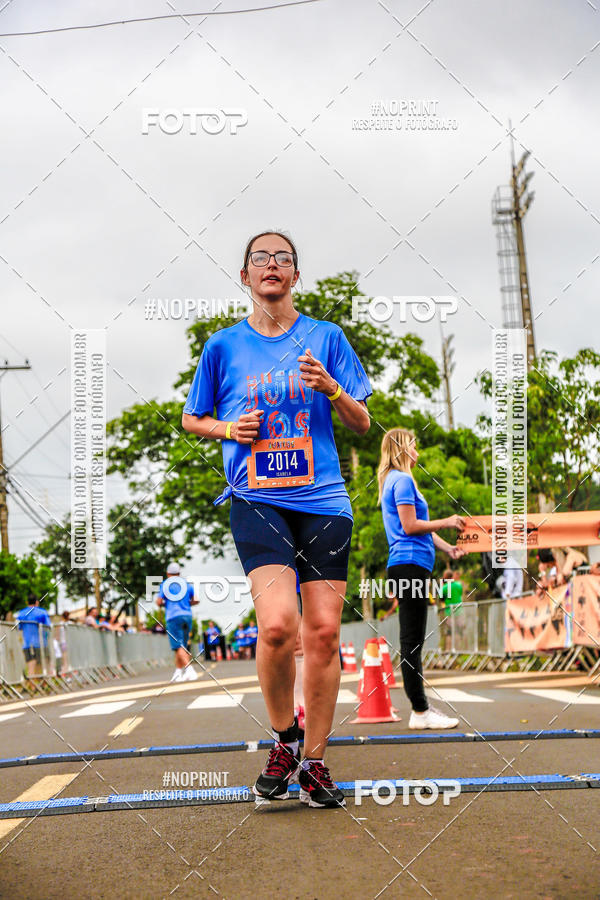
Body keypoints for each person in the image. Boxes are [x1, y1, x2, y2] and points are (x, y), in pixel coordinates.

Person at [182, 230, 371, 808]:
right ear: (244, 277)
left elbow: (362, 422)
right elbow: (193, 419)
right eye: (259, 258)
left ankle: (313, 761)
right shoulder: (222, 348)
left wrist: (332, 388)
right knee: (276, 626)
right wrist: (226, 429)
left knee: (322, 632)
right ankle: (284, 738)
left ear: (295, 275)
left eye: (282, 258)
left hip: (323, 500)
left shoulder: (326, 337)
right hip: (257, 498)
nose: (271, 265)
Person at [378, 428, 465, 730]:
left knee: (412, 640)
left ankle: (420, 708)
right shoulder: (401, 480)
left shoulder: (395, 480)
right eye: (414, 446)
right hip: (409, 565)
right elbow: (411, 525)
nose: (418, 452)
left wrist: (447, 547)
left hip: (411, 564)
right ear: (402, 449)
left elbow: (421, 528)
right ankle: (420, 710)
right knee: (412, 641)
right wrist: (450, 521)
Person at [156, 562, 199, 682]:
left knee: (177, 646)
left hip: (173, 617)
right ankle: (178, 673)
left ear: (168, 573)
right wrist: (185, 603)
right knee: (182, 646)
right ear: (179, 573)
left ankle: (190, 669)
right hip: (187, 616)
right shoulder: (187, 584)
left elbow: (159, 601)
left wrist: (166, 603)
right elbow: (196, 600)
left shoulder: (165, 584)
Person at [16, 594, 52, 677]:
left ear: (27, 602)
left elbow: (19, 627)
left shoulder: (21, 613)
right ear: (36, 602)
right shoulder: (42, 612)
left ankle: (32, 686)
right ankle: (41, 685)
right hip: (41, 643)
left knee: (30, 665)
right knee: (41, 664)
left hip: (27, 644)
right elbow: (48, 626)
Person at [440, 567, 463, 652]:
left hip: (449, 612)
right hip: (459, 611)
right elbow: (460, 594)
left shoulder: (445, 587)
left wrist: (442, 585)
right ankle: (460, 649)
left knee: (449, 632)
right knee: (459, 631)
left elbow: (441, 598)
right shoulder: (458, 585)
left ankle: (449, 650)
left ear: (445, 577)